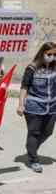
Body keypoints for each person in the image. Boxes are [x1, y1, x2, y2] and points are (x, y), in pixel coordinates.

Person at [17, 42, 56, 173]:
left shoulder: (54, 67)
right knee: (34, 132)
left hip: (51, 106)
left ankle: (30, 147)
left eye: (54, 54)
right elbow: (24, 87)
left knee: (48, 131)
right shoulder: (32, 68)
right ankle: (33, 159)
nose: (52, 57)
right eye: (49, 54)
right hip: (34, 106)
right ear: (42, 53)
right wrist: (21, 104)